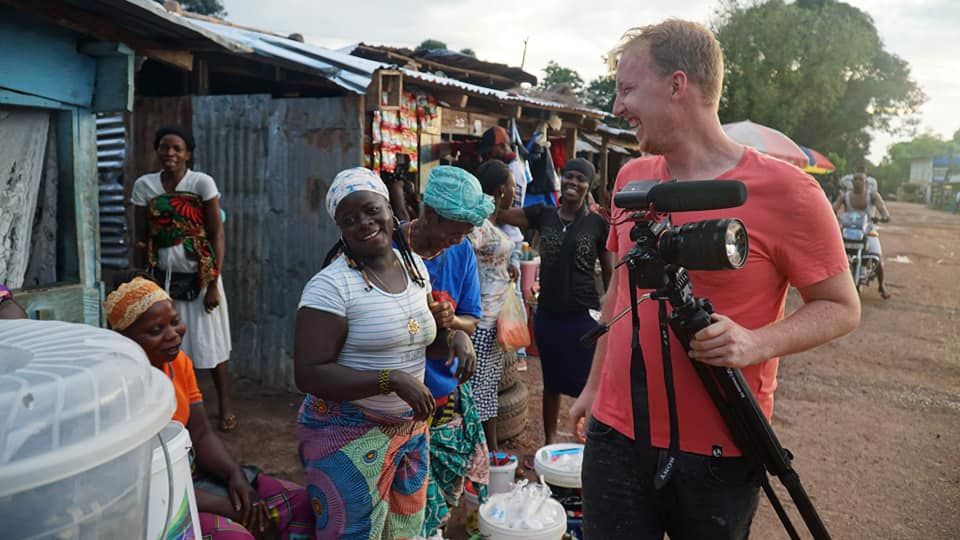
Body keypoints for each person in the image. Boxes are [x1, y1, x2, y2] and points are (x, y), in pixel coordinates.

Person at [569, 20, 860, 539]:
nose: (617, 108)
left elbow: (840, 305)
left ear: (678, 85)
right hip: (617, 435)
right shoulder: (634, 180)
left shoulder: (788, 192)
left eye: (627, 90)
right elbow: (620, 290)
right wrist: (593, 386)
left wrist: (755, 342)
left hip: (720, 447)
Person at [294, 167, 475, 540]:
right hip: (349, 438)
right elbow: (308, 374)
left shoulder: (414, 270)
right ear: (340, 229)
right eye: (349, 219)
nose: (363, 223)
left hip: (410, 433)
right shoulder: (330, 286)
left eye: (371, 210)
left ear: (390, 210)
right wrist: (389, 380)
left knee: (404, 531)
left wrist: (455, 338)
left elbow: (425, 341)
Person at [104, 276, 313, 539]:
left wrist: (234, 475)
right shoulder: (119, 391)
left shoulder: (178, 363)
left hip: (195, 476)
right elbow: (143, 481)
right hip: (153, 495)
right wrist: (232, 509)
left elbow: (201, 433)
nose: (173, 334)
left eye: (174, 321)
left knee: (300, 503)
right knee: (238, 534)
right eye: (155, 331)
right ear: (125, 340)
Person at [395, 165, 495, 538]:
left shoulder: (461, 252)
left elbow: (471, 316)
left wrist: (457, 328)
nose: (456, 241)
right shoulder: (387, 249)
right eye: (452, 232)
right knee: (402, 501)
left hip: (442, 394)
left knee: (438, 497)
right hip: (396, 398)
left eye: (463, 235)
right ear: (429, 214)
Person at [498, 158, 614, 446]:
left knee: (587, 383)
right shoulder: (543, 214)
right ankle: (549, 443)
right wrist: (499, 192)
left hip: (583, 318)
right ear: (561, 179)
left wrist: (609, 317)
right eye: (569, 177)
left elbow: (612, 274)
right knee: (551, 382)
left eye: (580, 179)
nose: (573, 183)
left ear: (590, 186)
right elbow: (501, 215)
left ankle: (586, 443)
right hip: (549, 315)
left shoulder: (597, 223)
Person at [132, 126, 237, 432]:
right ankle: (172, 405)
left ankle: (224, 404)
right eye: (165, 148)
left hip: (201, 277)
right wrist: (140, 282)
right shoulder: (145, 186)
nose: (170, 154)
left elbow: (216, 233)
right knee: (165, 343)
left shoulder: (201, 182)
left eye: (177, 149)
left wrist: (213, 282)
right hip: (162, 278)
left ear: (188, 154)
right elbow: (141, 237)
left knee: (212, 342)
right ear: (157, 151)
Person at [467, 160, 517, 453]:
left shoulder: (490, 222)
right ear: (501, 190)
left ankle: (490, 453)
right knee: (481, 394)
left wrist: (505, 266)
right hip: (482, 321)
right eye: (512, 185)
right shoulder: (479, 225)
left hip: (493, 319)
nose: (514, 191)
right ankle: (485, 455)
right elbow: (462, 255)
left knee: (488, 391)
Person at [833, 172, 892, 298]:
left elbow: (881, 207)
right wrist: (832, 212)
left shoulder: (872, 195)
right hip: (848, 231)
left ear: (866, 182)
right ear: (852, 182)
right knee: (833, 254)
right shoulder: (845, 196)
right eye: (855, 179)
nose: (858, 182)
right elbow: (835, 206)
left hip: (868, 231)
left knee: (876, 256)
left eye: (861, 179)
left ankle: (882, 286)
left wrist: (884, 216)